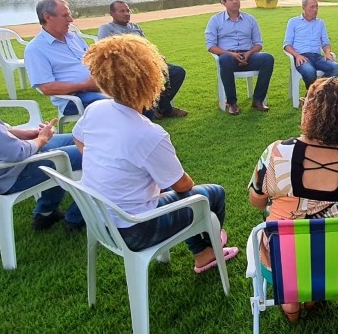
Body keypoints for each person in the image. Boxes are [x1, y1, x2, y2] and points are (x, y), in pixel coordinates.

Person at [72, 35, 239, 273]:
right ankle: (207, 250)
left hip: (100, 220)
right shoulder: (147, 133)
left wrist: (112, 166)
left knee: (167, 191)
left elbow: (78, 138)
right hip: (136, 230)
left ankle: (202, 250)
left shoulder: (96, 109)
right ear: (150, 79)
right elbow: (182, 185)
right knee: (211, 194)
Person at [248, 77, 338, 321]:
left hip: (283, 259)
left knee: (285, 237)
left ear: (309, 111)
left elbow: (256, 201)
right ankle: (317, 291)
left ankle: (292, 302)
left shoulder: (277, 153)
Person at [0, 24, 83, 230]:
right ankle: (77, 217)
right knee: (92, 151)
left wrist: (24, 133)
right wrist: (40, 140)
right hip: (7, 173)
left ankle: (46, 212)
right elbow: (14, 152)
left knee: (75, 138)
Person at [98, 1, 188, 118]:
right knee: (141, 78)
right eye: (122, 11)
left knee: (177, 72)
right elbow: (104, 52)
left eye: (128, 10)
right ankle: (151, 110)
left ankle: (162, 106)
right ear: (112, 14)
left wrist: (157, 56)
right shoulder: (107, 29)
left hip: (148, 64)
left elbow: (147, 46)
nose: (126, 14)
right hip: (126, 69)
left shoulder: (135, 27)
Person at [24, 0, 108, 116]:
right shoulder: (35, 49)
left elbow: (93, 62)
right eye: (65, 16)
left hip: (99, 87)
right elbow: (47, 88)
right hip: (73, 99)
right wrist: (85, 85)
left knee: (138, 96)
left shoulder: (74, 38)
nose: (71, 20)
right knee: (115, 106)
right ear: (47, 17)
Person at [206, 0, 274, 115]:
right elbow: (211, 46)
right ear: (223, 2)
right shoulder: (215, 20)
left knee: (268, 58)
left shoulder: (250, 19)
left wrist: (248, 54)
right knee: (224, 59)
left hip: (249, 55)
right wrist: (231, 54)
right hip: (229, 56)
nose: (235, 1)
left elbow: (259, 44)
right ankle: (232, 103)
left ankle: (258, 100)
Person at [283, 0, 338, 89]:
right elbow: (287, 45)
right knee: (310, 71)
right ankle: (316, 94)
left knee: (336, 68)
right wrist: (297, 55)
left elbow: (325, 42)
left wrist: (327, 52)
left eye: (317, 7)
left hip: (317, 57)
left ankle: (315, 92)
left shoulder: (320, 22)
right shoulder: (293, 22)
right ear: (304, 7)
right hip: (302, 57)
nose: (315, 10)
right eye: (312, 7)